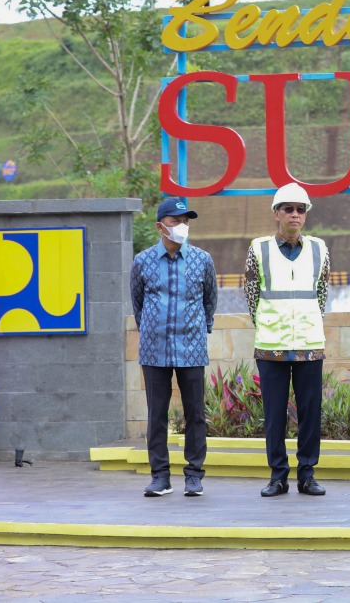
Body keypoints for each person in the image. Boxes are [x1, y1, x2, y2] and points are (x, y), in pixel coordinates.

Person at [244, 183, 330, 497]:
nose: (295, 214)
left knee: (310, 413)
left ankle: (307, 475)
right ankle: (277, 476)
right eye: (288, 209)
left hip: (309, 344)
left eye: (300, 209)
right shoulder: (259, 248)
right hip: (271, 346)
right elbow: (251, 296)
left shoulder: (320, 248)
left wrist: (307, 325)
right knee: (275, 414)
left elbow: (322, 295)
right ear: (277, 213)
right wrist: (269, 325)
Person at [130, 197, 218, 497]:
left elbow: (210, 301)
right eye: (175, 221)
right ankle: (160, 476)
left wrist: (198, 330)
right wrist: (153, 329)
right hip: (154, 350)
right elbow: (138, 303)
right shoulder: (142, 261)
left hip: (192, 349)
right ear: (160, 226)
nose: (182, 226)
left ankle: (194, 475)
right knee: (157, 414)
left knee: (195, 414)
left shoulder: (202, 260)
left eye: (186, 221)